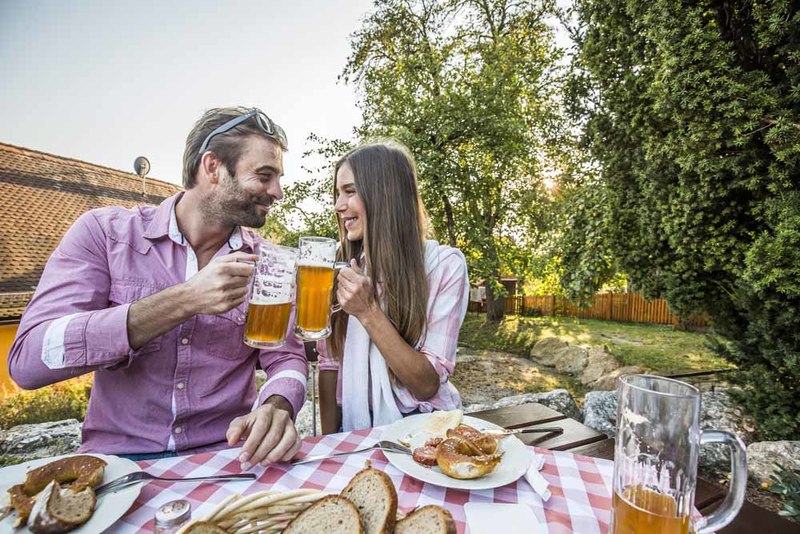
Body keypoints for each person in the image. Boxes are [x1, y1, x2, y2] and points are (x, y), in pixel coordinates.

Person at [8, 107, 307, 468]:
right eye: (264, 176)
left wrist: (278, 404)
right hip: (120, 460)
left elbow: (287, 358)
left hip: (228, 456)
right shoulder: (104, 234)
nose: (276, 191)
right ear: (212, 167)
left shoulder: (268, 262)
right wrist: (185, 299)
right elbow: (28, 362)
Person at [318, 141, 469, 434]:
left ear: (383, 195)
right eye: (338, 193)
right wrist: (328, 444)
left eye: (350, 191)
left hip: (425, 431)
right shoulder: (341, 262)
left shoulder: (444, 266)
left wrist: (368, 312)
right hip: (356, 431)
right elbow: (329, 363)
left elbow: (426, 385)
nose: (338, 206)